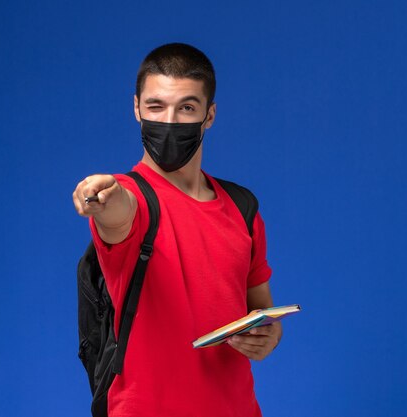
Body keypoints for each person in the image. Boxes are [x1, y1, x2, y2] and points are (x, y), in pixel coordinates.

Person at [72, 43, 282, 417]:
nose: (169, 121)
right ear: (136, 108)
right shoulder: (130, 196)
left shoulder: (242, 207)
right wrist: (103, 195)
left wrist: (269, 335)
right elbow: (119, 214)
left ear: (209, 115)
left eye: (186, 108)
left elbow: (260, 307)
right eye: (156, 106)